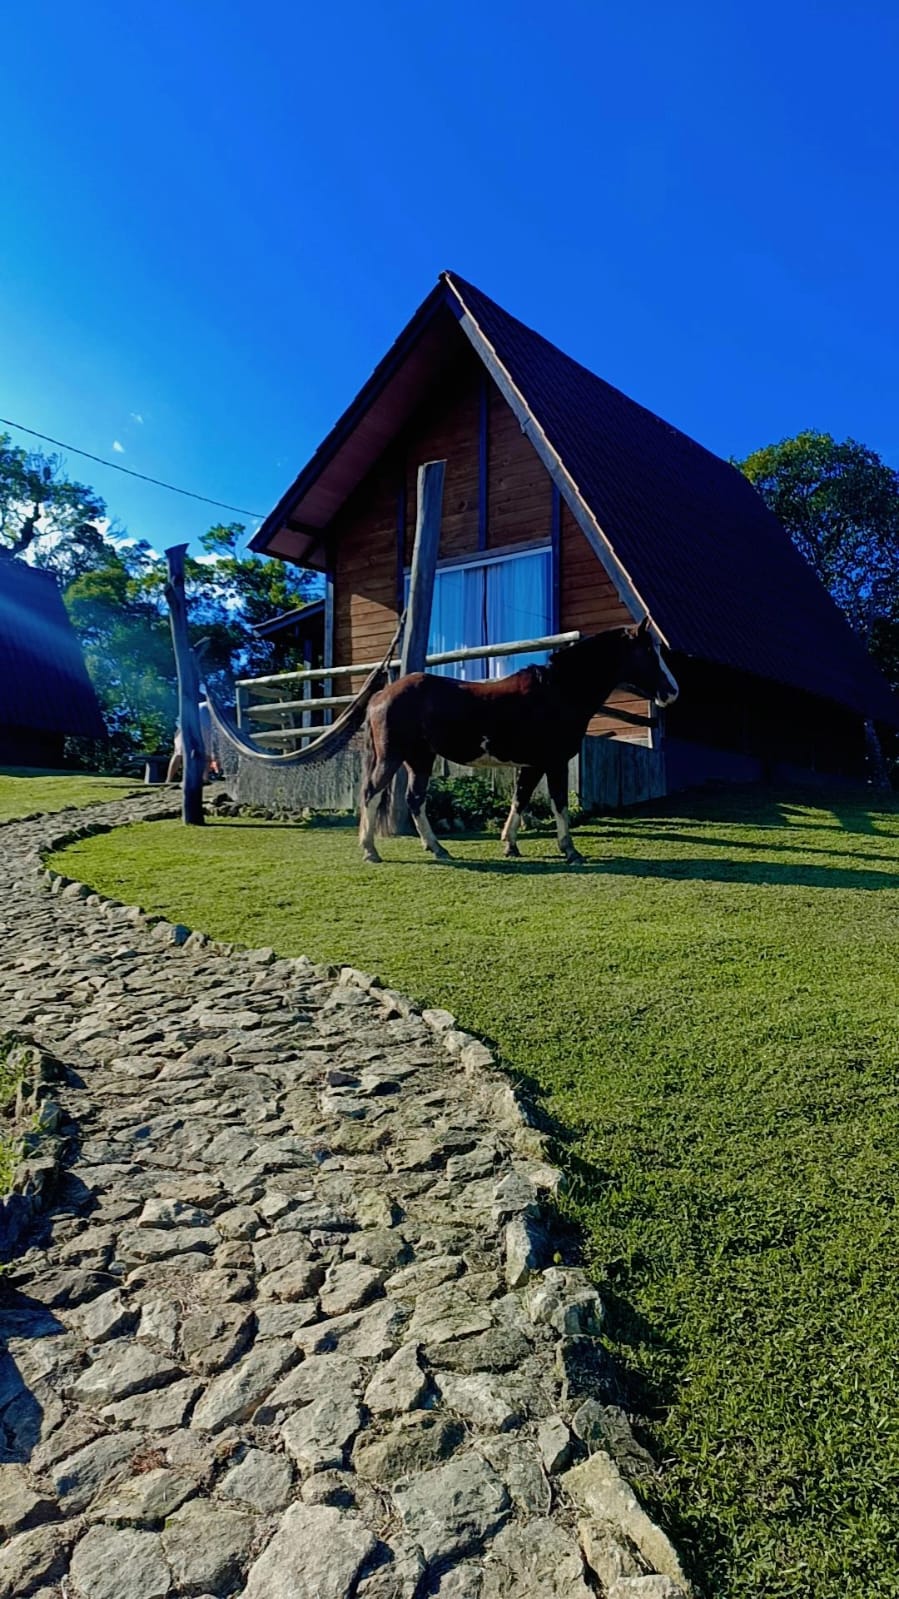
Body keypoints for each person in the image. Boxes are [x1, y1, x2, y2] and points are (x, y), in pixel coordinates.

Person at [166, 700, 220, 783]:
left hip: (185, 726)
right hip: (202, 727)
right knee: (206, 756)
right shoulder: (212, 706)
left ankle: (169, 780)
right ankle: (204, 779)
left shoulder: (199, 705)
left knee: (178, 753)